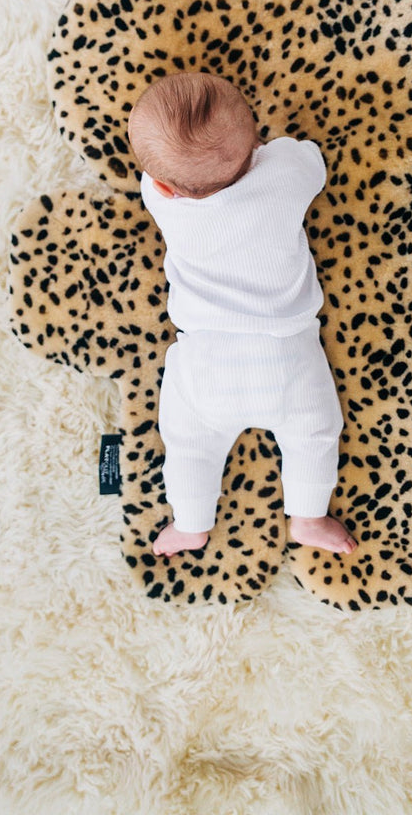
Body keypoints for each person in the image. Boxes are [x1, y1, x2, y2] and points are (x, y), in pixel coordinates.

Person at [128, 71, 357, 558]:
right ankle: (309, 517)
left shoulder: (161, 199)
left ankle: (190, 523)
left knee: (188, 446)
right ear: (255, 147)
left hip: (203, 361)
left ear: (166, 187)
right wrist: (266, 153)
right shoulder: (282, 175)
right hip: (287, 355)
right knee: (314, 435)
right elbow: (309, 159)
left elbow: (161, 175)